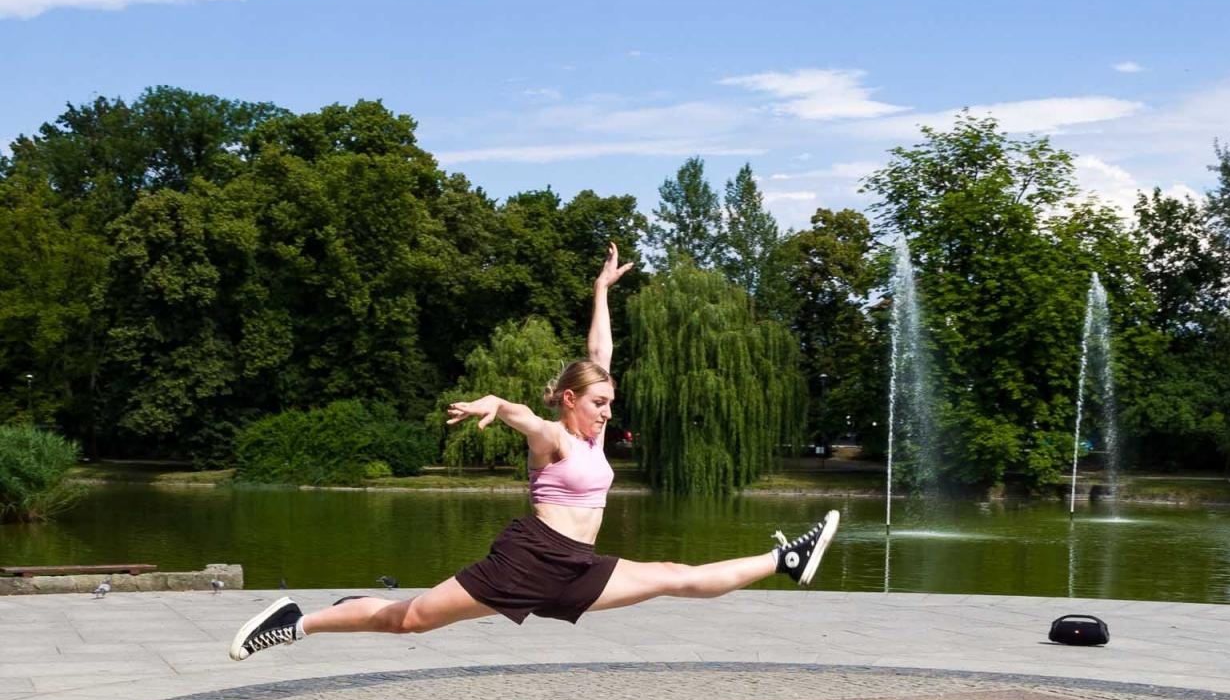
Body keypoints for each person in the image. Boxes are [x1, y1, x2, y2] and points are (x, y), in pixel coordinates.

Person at [229, 243, 839, 661]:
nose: (607, 411)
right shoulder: (553, 436)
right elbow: (522, 415)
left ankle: (786, 560)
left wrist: (602, 290)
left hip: (574, 565)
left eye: (609, 402)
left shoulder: (592, 430)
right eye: (598, 403)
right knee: (407, 620)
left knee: (673, 578)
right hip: (531, 558)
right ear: (569, 401)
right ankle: (295, 623)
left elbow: (600, 355)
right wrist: (494, 403)